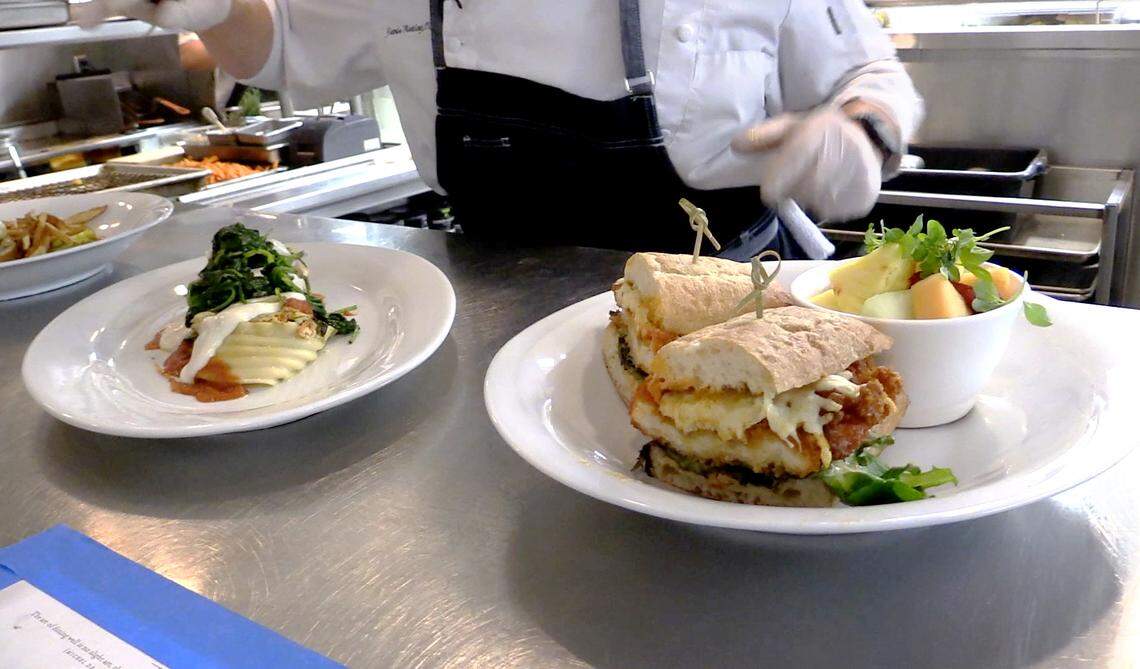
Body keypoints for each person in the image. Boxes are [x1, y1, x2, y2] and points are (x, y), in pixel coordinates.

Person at [79, 0, 922, 259]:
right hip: (497, 327)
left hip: (737, 303)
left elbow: (867, 72)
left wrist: (862, 132)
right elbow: (285, 46)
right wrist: (217, 7)